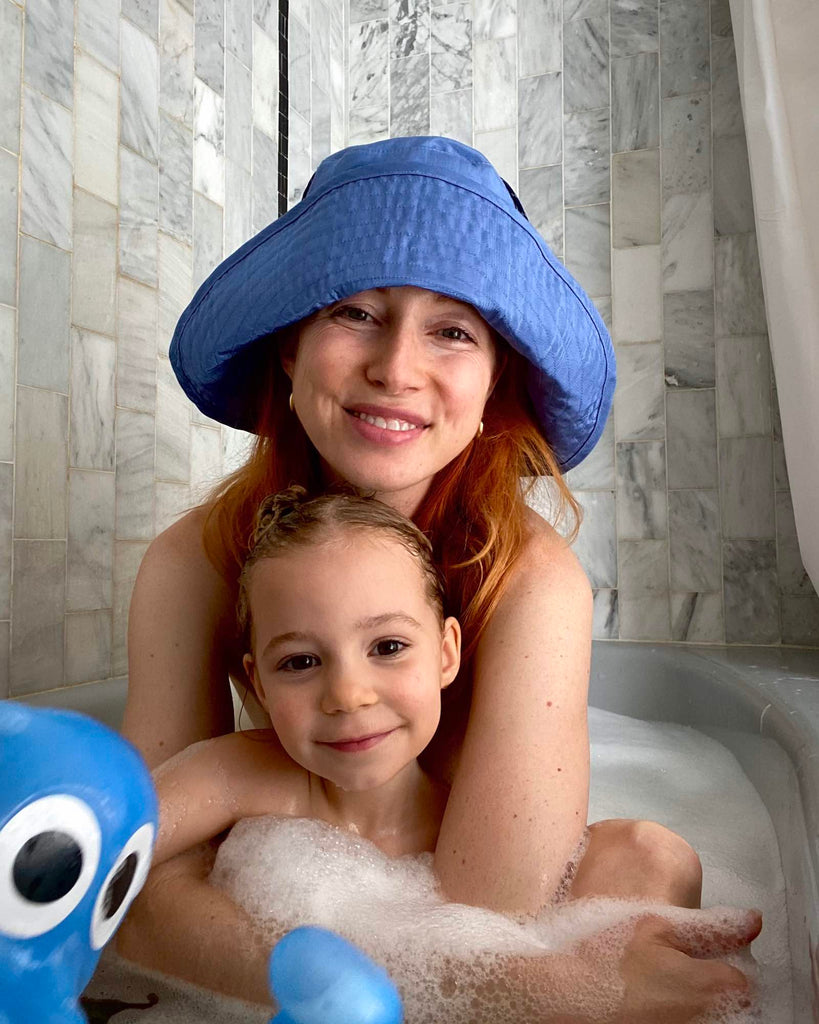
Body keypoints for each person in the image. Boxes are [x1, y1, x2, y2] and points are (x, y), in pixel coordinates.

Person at [118, 135, 761, 1018]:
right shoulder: (197, 562)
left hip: (447, 905)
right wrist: (342, 986)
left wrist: (508, 977)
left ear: (494, 382)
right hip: (311, 897)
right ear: (286, 349)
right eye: (354, 312)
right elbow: (129, 883)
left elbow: (495, 910)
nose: (396, 368)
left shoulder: (530, 582)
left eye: (452, 331)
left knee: (647, 859)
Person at [151, 486, 462, 867]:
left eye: (388, 648)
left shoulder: (473, 829)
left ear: (446, 655)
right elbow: (106, 844)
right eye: (300, 662)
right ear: (260, 685)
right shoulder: (239, 774)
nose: (348, 695)